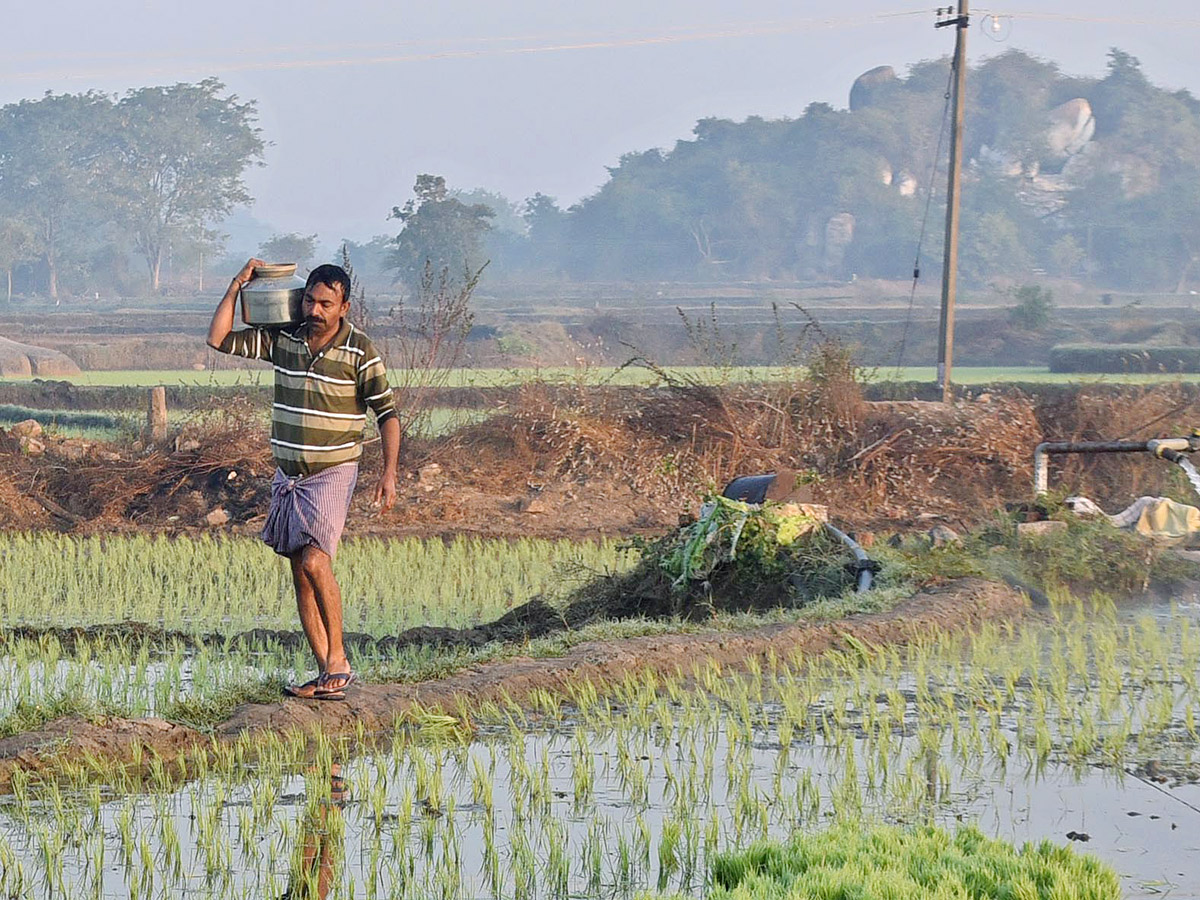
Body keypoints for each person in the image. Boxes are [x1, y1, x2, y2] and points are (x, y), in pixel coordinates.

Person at [207, 259, 400, 700]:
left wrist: (389, 472)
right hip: (288, 474)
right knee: (299, 571)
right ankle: (324, 672)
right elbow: (217, 338)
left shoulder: (361, 352)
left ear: (344, 307)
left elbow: (387, 415)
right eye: (310, 299)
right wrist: (238, 284)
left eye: (326, 303)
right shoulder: (285, 340)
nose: (315, 309)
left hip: (332, 471)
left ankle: (339, 661)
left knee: (316, 561)